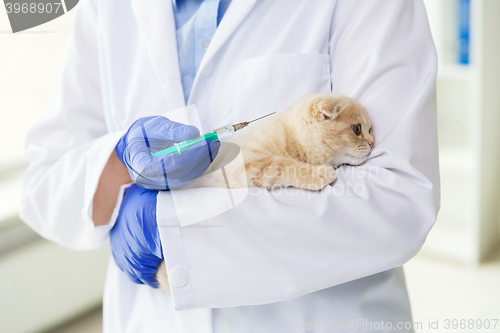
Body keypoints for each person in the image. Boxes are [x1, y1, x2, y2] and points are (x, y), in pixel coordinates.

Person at [20, 0, 440, 332]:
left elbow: (399, 196)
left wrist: (174, 227)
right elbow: (44, 177)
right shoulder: (105, 7)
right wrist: (113, 163)